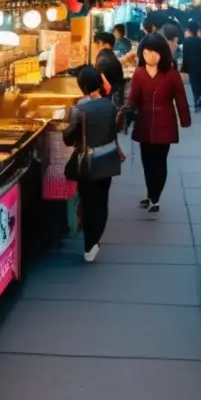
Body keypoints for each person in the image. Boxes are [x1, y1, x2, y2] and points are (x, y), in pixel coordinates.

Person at [127, 32, 191, 213]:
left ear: (162, 54)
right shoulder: (139, 74)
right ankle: (150, 193)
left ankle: (155, 198)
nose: (151, 56)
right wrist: (126, 114)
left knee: (160, 162)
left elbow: (180, 99)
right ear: (141, 53)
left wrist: (185, 119)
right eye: (147, 52)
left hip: (165, 124)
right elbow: (133, 99)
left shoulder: (171, 75)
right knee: (147, 162)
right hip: (144, 124)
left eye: (155, 53)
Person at [63, 66, 121, 262]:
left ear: (83, 86)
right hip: (109, 159)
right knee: (102, 202)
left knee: (88, 204)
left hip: (88, 163)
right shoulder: (109, 105)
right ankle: (95, 241)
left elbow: (69, 139)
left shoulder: (79, 109)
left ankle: (90, 245)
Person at [181, 21, 201, 111]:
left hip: (191, 66)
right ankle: (199, 100)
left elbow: (185, 55)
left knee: (194, 84)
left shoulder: (186, 41)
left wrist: (184, 66)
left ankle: (196, 99)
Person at [94, 31, 126, 107]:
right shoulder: (110, 56)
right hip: (116, 100)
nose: (95, 46)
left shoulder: (103, 58)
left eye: (96, 43)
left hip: (108, 101)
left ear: (100, 42)